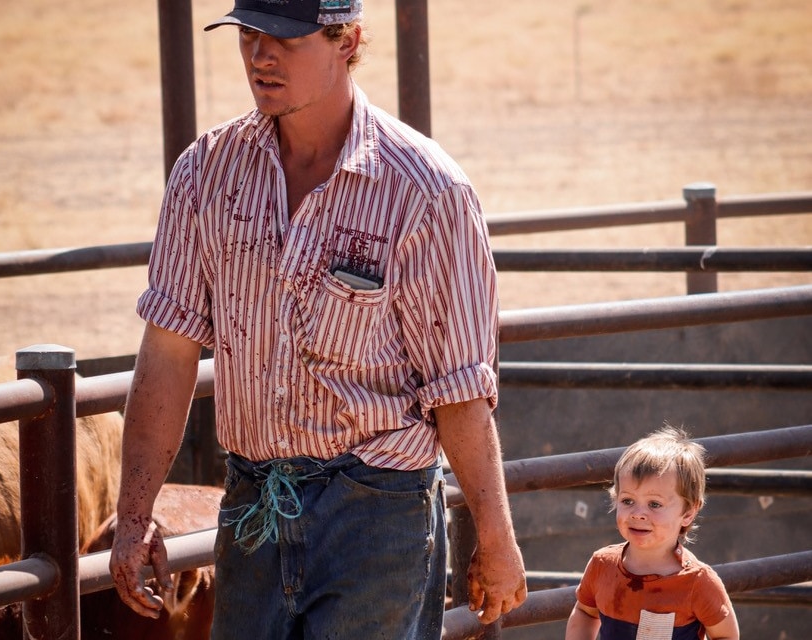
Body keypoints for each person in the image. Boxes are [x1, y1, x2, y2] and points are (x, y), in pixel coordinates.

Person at [108, 0, 527, 637]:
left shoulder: (427, 192)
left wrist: (495, 538)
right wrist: (134, 516)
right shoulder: (206, 174)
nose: (259, 55)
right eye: (248, 34)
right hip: (254, 503)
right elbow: (169, 349)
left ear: (347, 40)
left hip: (377, 515)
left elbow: (460, 388)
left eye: (285, 38)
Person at [565, 425, 740, 640]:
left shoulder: (698, 583)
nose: (638, 514)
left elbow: (726, 636)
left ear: (688, 512)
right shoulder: (602, 565)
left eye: (654, 504)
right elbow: (585, 611)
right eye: (627, 500)